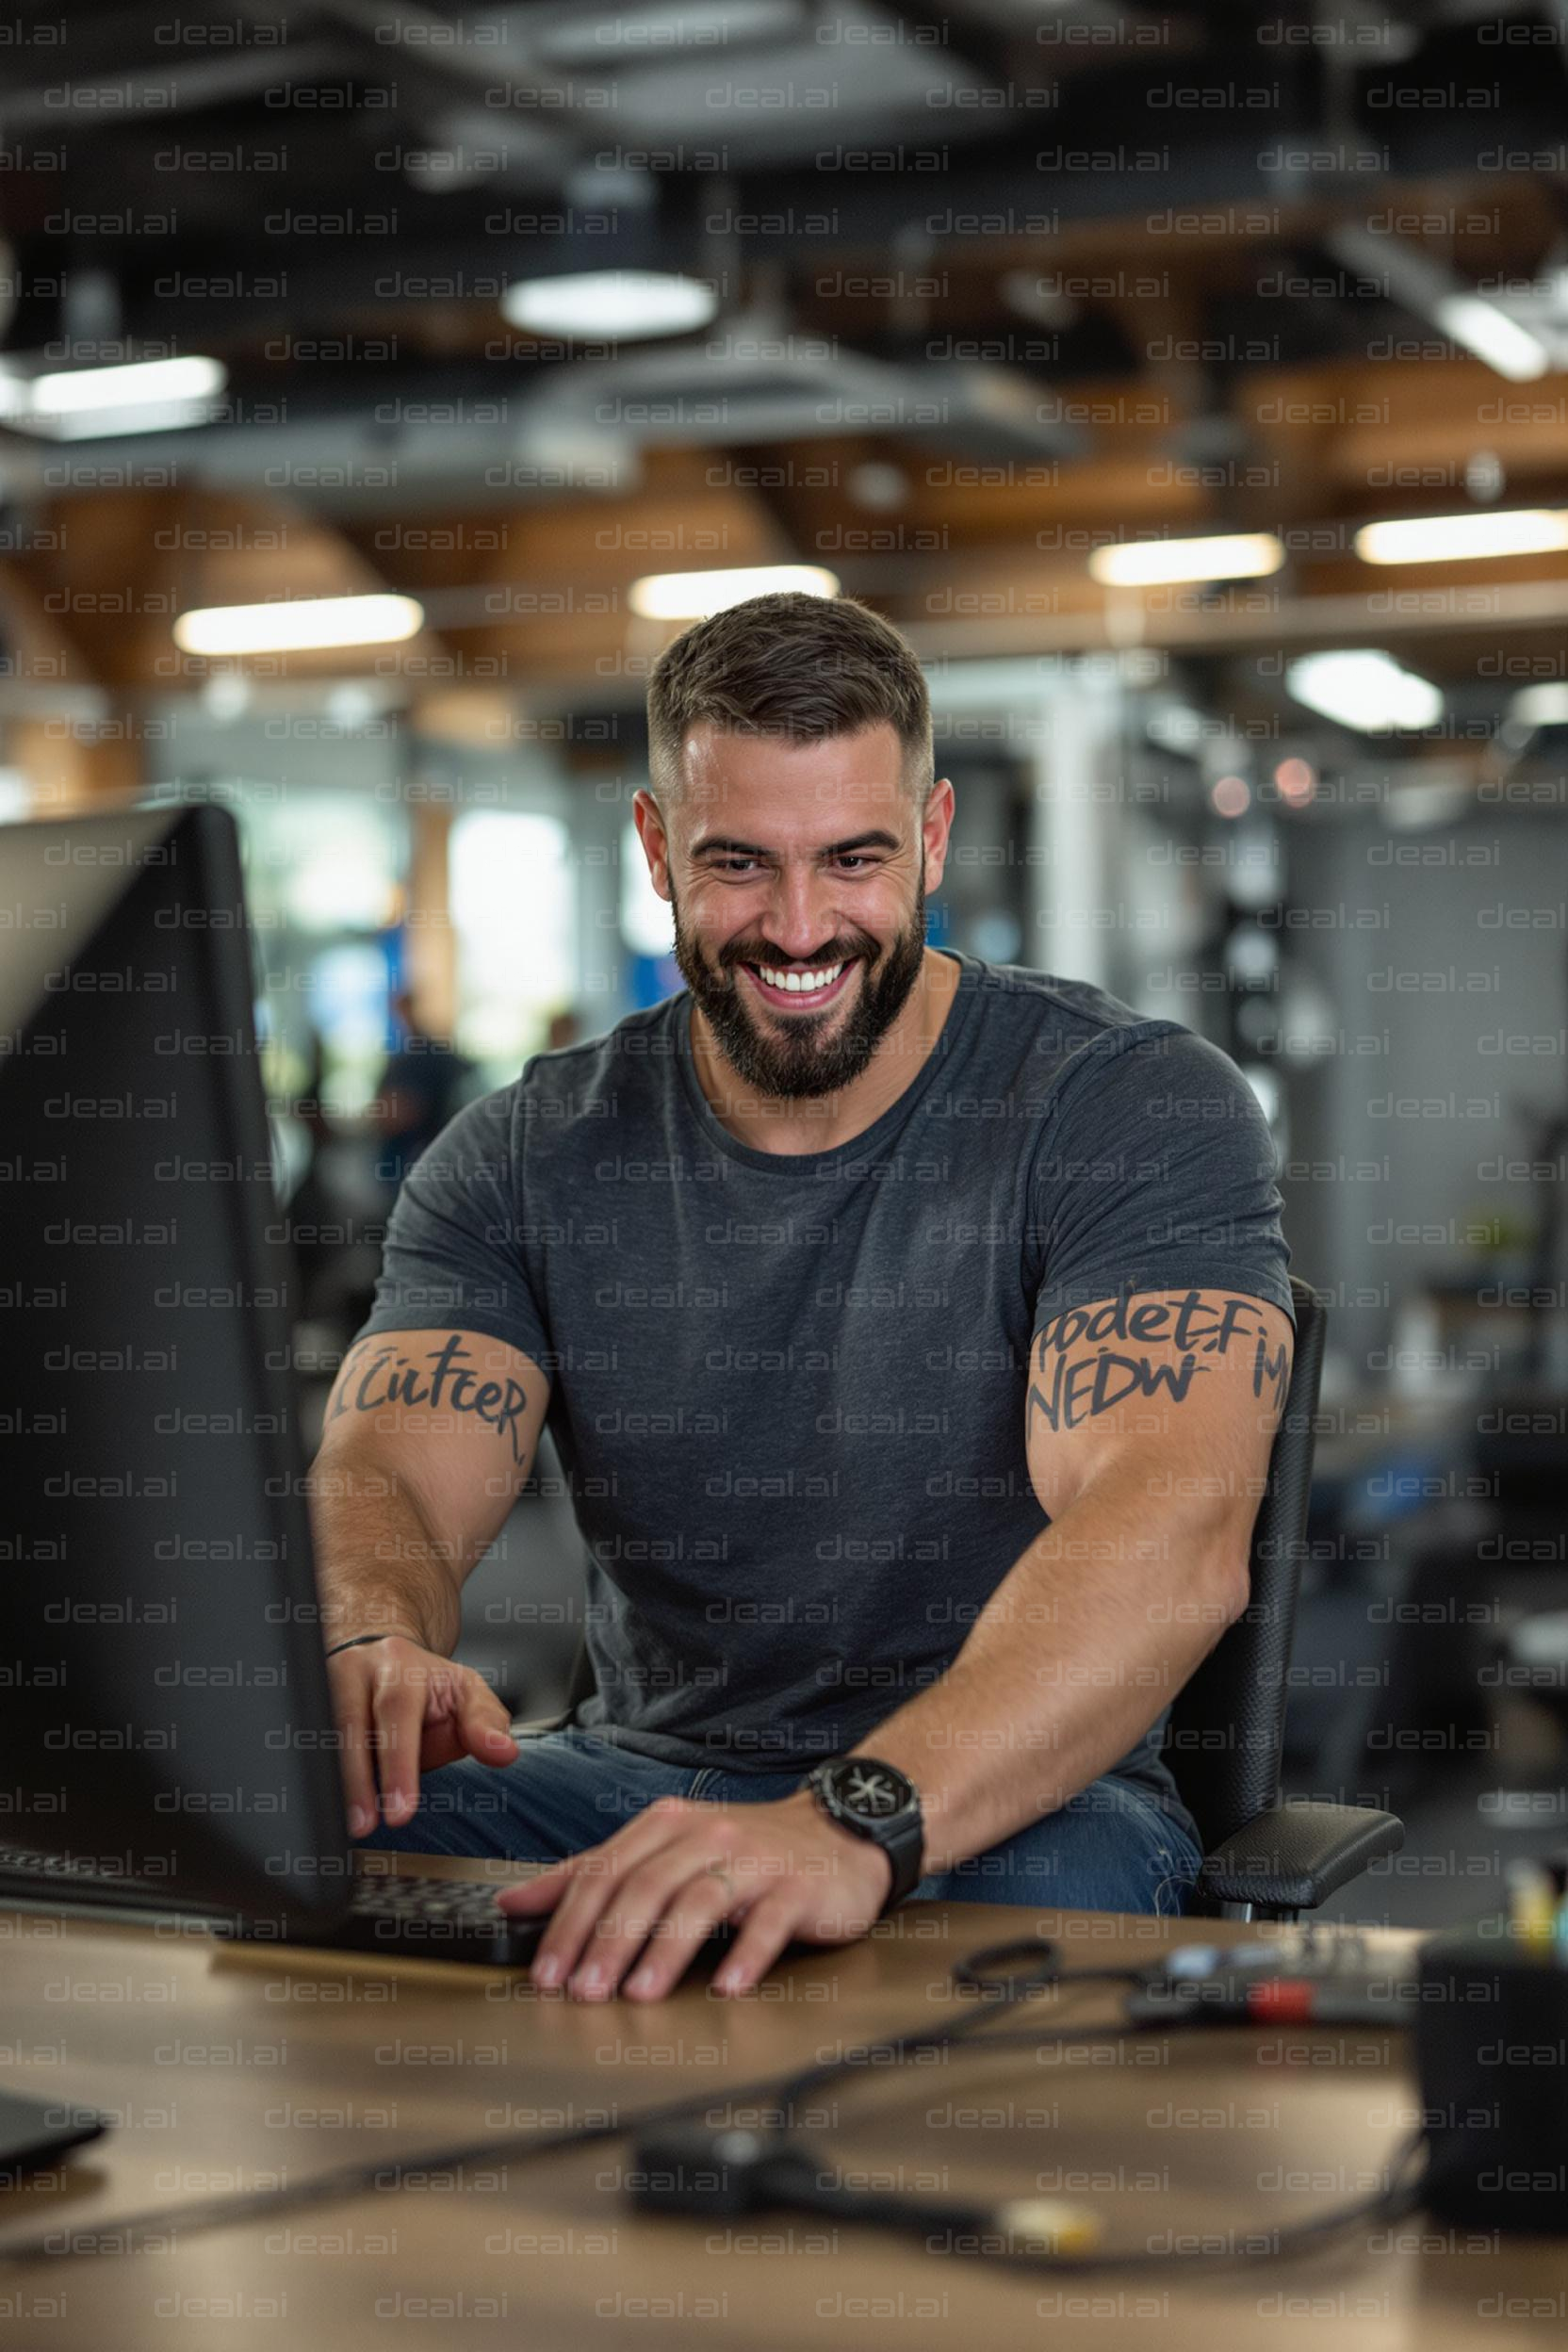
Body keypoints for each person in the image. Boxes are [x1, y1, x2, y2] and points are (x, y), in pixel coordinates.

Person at [308, 591, 1296, 2003]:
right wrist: (374, 1637)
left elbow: (1171, 1527)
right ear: (655, 849)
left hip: (1006, 1803)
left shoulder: (1125, 1107)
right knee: (328, 1855)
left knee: (1032, 1914)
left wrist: (857, 1820)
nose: (798, 926)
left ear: (934, 838)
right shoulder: (523, 1154)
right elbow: (387, 1477)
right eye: (737, 865)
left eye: (854, 859)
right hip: (638, 1780)